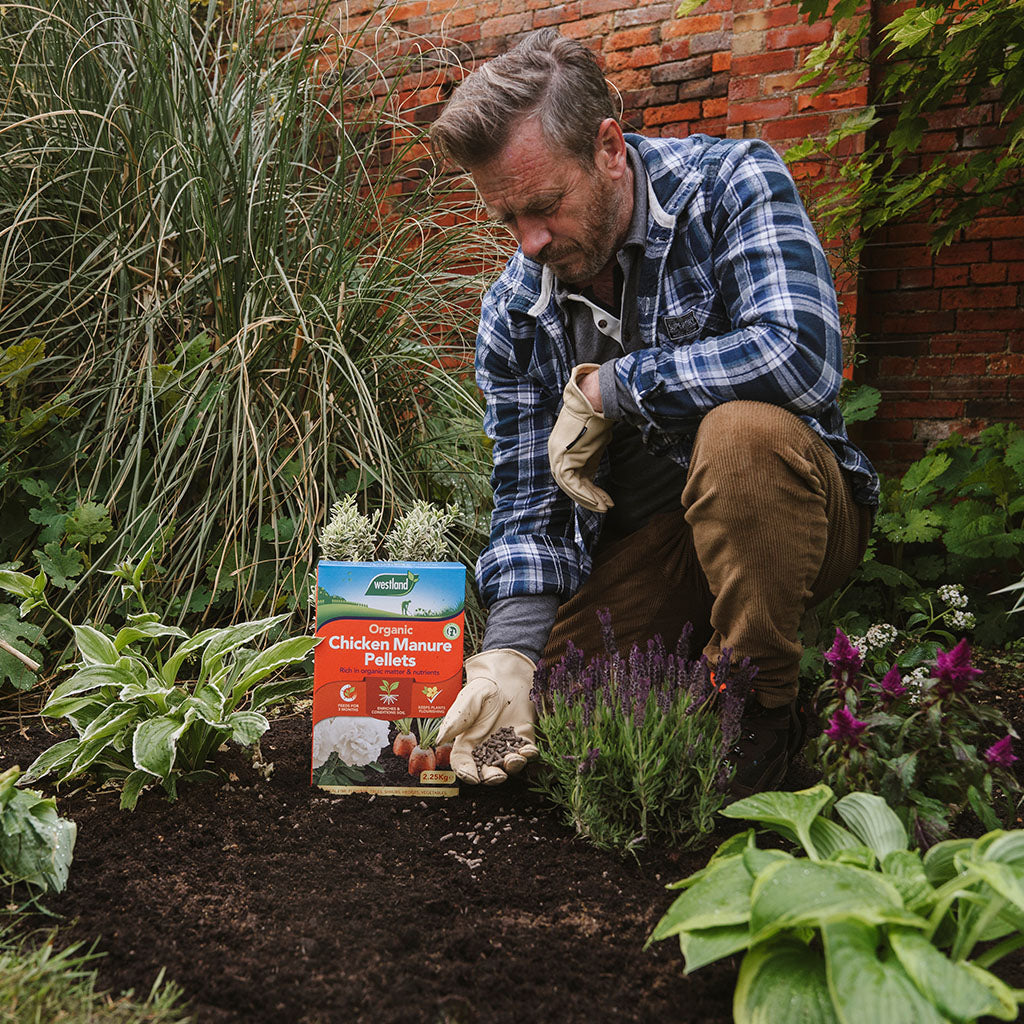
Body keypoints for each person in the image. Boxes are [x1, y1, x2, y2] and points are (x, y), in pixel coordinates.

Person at [433, 29, 878, 794]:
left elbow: (800, 355)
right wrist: (509, 654)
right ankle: (681, 686)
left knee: (740, 435)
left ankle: (759, 709)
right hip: (648, 547)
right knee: (549, 718)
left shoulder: (731, 183)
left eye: (543, 206)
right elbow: (527, 499)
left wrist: (615, 386)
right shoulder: (513, 310)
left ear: (608, 146)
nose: (529, 242)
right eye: (507, 219)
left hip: (789, 512)